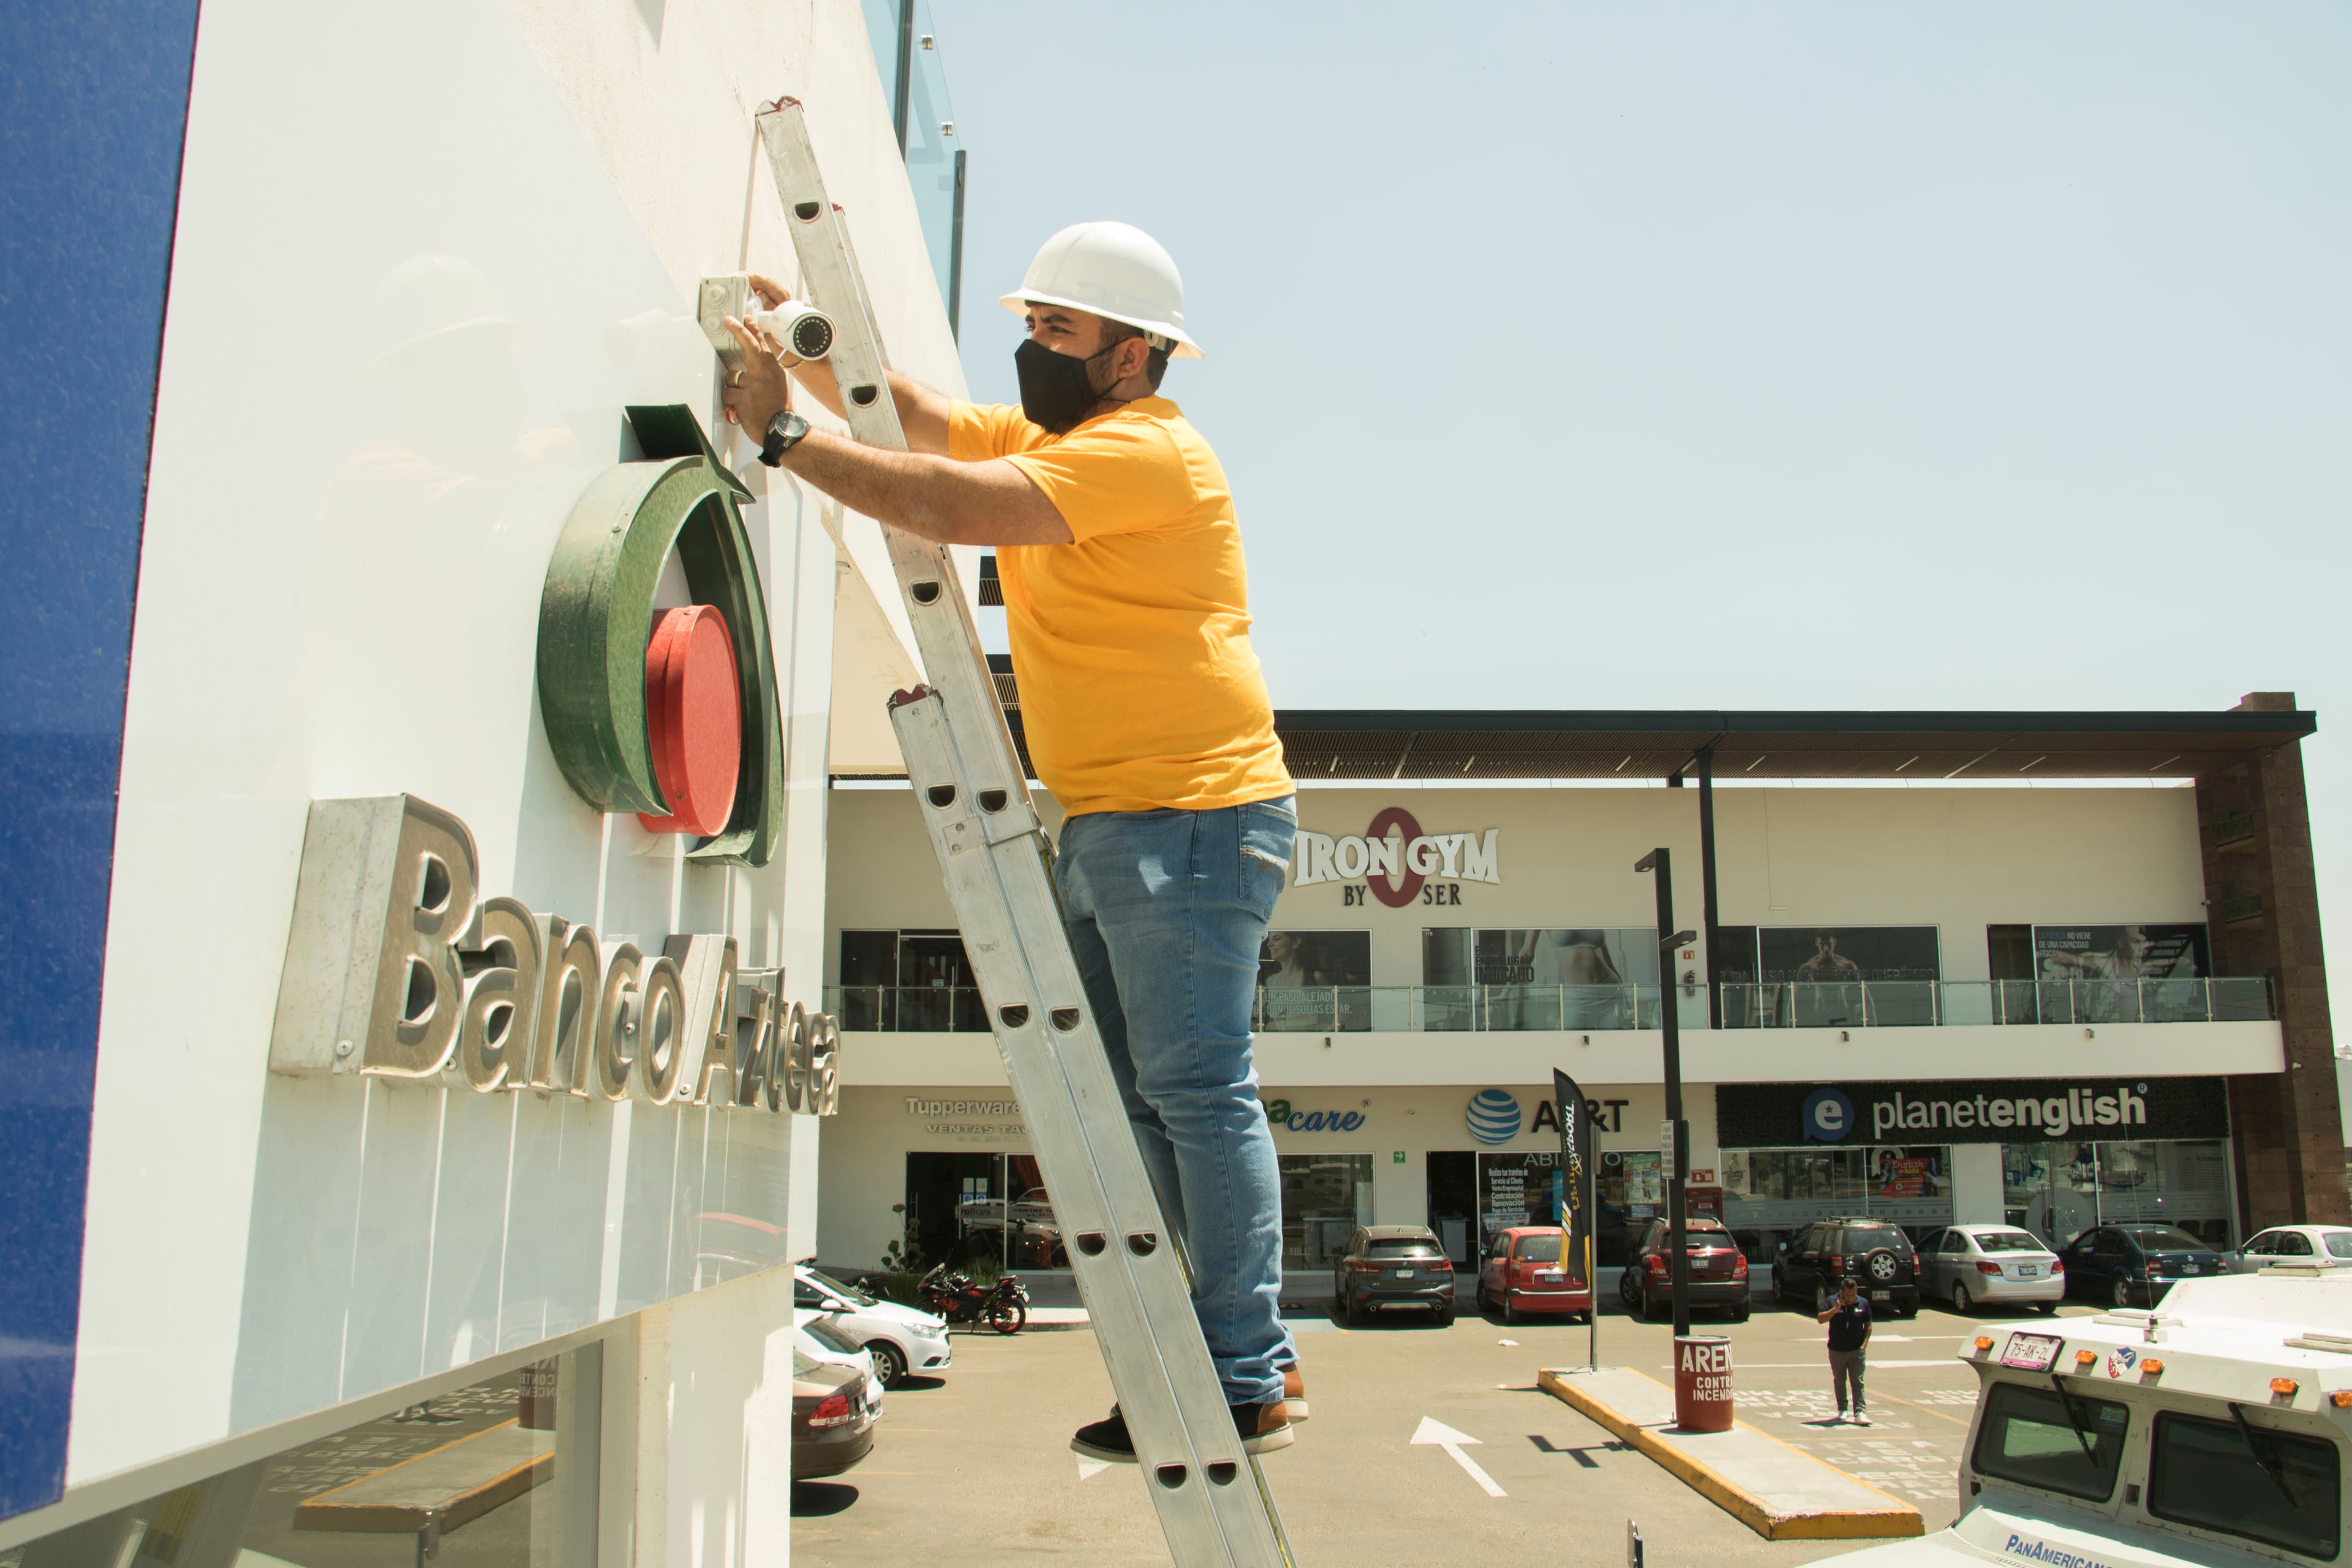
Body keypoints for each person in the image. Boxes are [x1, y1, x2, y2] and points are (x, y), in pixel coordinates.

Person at [720, 221, 1298, 1461]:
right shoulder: (1063, 432)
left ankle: (1245, 1370)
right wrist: (806, 341)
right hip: (1113, 821)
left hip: (1190, 818)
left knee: (1195, 1093)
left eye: (1060, 330)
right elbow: (920, 417)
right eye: (1031, 324)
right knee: (1135, 1101)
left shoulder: (1149, 451)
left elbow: (945, 500)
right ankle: (1205, 1362)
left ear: (1135, 357)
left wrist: (783, 433)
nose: (1033, 348)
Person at [1817, 1274, 1872, 1425]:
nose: (1850, 1298)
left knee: (1858, 1382)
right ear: (1841, 1292)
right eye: (1847, 1295)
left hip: (1856, 1350)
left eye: (1853, 1294)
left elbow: (1868, 1326)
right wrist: (1836, 1309)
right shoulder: (1830, 1301)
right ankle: (1842, 1409)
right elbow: (1821, 1319)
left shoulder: (1863, 1304)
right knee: (1840, 1381)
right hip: (1837, 1350)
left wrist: (1863, 1346)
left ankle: (1860, 1412)